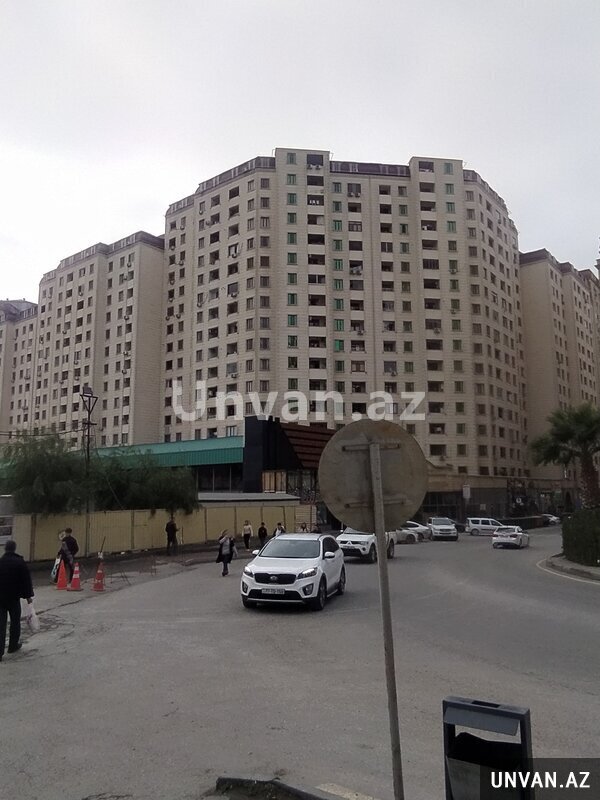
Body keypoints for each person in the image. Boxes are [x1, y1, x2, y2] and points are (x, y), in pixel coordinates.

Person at [0, 540, 34, 662]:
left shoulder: (0, 561)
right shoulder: (19, 562)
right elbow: (26, 581)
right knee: (15, 622)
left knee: (1, 625)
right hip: (14, 598)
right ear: (14, 549)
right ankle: (13, 645)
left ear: (5, 549)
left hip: (0, 599)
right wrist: (28, 597)